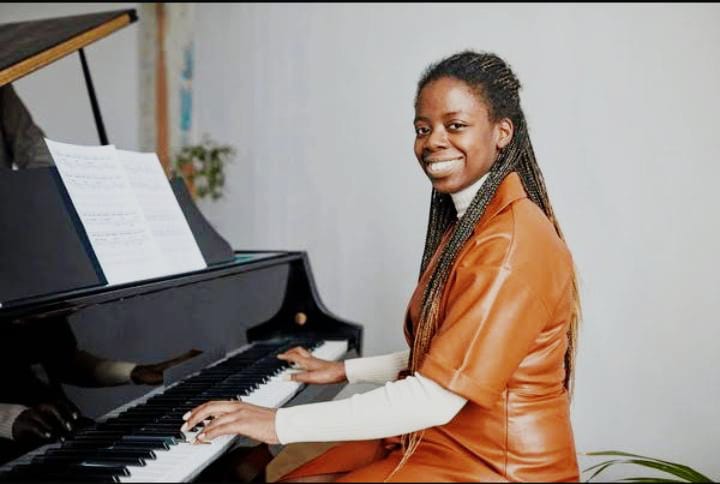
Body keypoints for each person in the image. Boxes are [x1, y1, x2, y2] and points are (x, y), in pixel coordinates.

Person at [181, 50, 581, 482]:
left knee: (290, 469)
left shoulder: (510, 243)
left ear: (502, 132)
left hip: (498, 464)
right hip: (448, 438)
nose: (433, 141)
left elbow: (435, 396)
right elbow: (447, 353)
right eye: (423, 129)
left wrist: (276, 423)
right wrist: (345, 370)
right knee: (295, 474)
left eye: (455, 126)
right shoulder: (477, 223)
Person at [0, 83, 202, 464]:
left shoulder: (24, 261)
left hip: (54, 429)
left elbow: (63, 359)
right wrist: (10, 420)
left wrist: (133, 371)